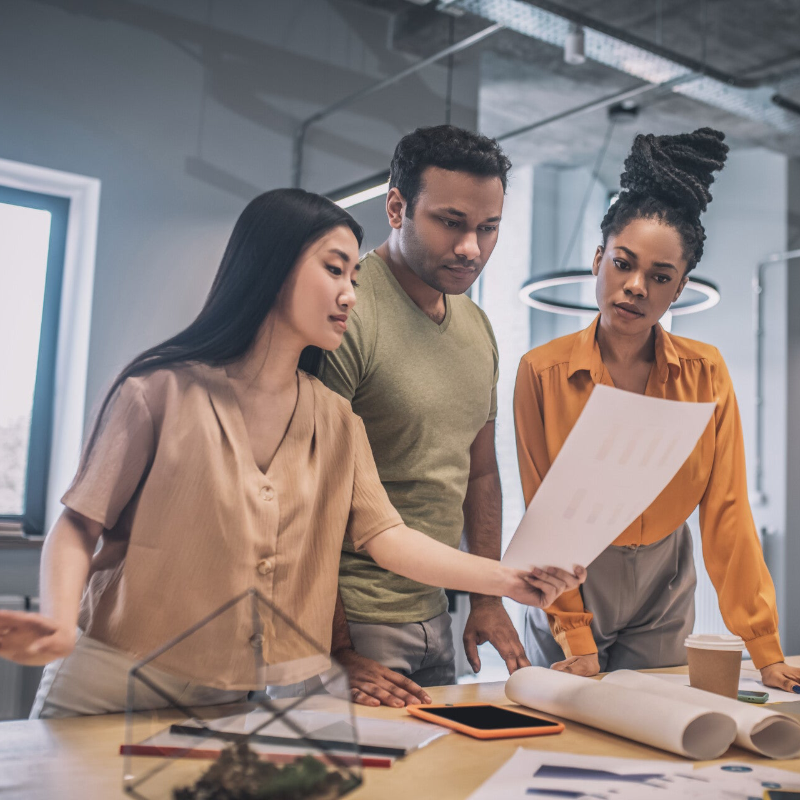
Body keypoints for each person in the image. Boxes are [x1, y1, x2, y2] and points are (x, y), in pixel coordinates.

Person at [0, 189, 585, 718]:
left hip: (227, 698)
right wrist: (55, 620)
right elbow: (78, 524)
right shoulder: (158, 388)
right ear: (272, 267)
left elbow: (390, 540)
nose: (349, 294)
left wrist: (508, 579)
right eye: (334, 271)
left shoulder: (334, 419)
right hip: (106, 681)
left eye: (354, 277)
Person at [513, 127, 800, 693]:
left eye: (660, 277)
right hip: (569, 579)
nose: (635, 286)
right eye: (622, 263)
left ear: (679, 289)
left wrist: (764, 648)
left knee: (655, 736)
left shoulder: (705, 372)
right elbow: (541, 512)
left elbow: (727, 513)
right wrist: (574, 634)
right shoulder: (541, 372)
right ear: (598, 259)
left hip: (666, 581)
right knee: (562, 741)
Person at [321, 125, 528, 709]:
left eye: (488, 228)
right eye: (451, 222)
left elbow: (480, 473)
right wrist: (336, 649)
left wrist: (485, 598)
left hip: (436, 616)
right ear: (396, 206)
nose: (471, 247)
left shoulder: (477, 328)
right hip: (352, 624)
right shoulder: (345, 311)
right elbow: (305, 497)